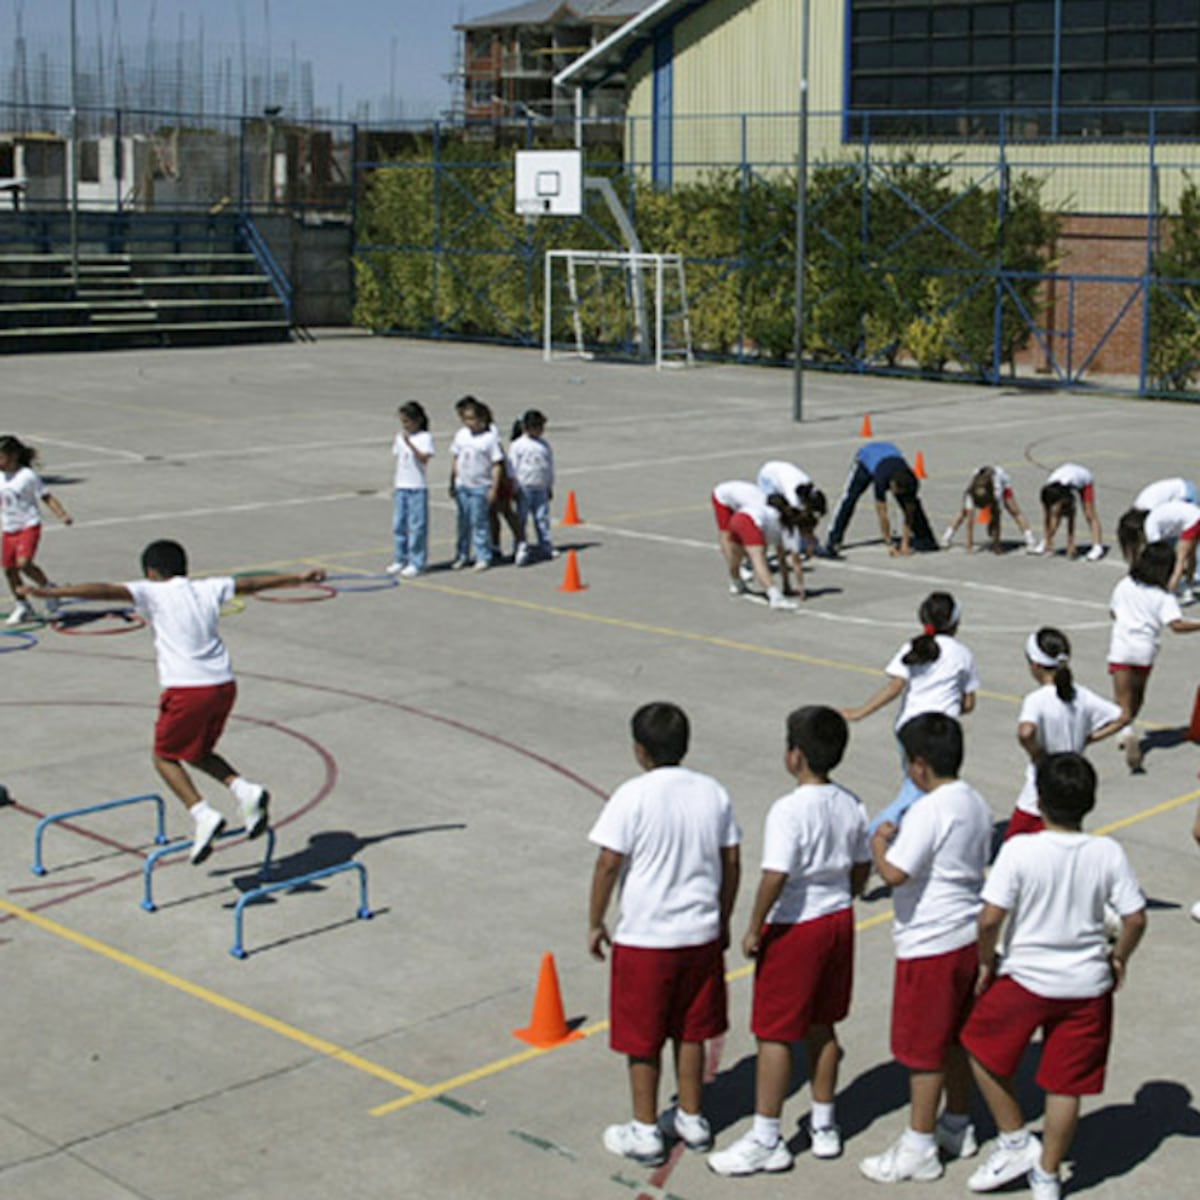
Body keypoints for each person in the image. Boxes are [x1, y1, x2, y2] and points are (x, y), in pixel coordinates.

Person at [23, 540, 326, 864]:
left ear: (152, 572)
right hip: (223, 685)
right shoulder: (208, 588)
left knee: (164, 758)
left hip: (188, 690)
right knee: (196, 752)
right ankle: (245, 791)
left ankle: (202, 814)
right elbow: (251, 583)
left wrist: (52, 593)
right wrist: (299, 578)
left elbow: (105, 590)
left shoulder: (154, 592)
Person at [960, 754, 1147, 1200]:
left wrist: (986, 961)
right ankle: (1047, 1176)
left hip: (1027, 978)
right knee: (1066, 1086)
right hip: (1087, 985)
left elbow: (989, 919)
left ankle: (1015, 1139)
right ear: (1090, 801)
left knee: (980, 1049)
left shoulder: (1021, 849)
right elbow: (1135, 918)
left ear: (1040, 800)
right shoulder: (1107, 852)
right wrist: (1118, 958)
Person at [707, 706, 869, 1177]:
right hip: (838, 919)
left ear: (795, 755)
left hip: (798, 924)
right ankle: (824, 1124)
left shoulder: (789, 809)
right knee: (823, 1024)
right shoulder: (852, 803)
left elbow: (775, 875)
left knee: (775, 1032)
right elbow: (861, 866)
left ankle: (766, 1136)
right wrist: (848, 894)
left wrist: (756, 925)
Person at [588, 701, 742, 1167]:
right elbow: (731, 860)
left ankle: (644, 1129)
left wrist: (595, 919)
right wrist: (723, 916)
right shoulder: (712, 792)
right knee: (691, 1031)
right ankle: (692, 1117)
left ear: (640, 749)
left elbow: (609, 862)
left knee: (643, 1037)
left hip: (647, 939)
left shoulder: (631, 796)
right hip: (699, 934)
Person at [859, 713, 992, 1185]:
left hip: (930, 943)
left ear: (918, 766)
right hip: (964, 938)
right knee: (953, 1039)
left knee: (922, 1051)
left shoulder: (931, 809)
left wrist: (879, 845)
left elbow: (896, 873)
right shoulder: (973, 801)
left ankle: (919, 1145)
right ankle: (957, 1122)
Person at [843, 592, 979, 833]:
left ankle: (914, 835)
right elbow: (969, 703)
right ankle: (871, 837)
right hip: (939, 733)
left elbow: (896, 686)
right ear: (955, 623)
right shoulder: (962, 654)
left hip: (909, 727)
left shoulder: (913, 647)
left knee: (916, 786)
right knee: (919, 792)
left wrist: (860, 712)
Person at [1008, 628, 1125, 840]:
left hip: (1038, 795)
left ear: (1035, 665)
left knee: (1014, 848)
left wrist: (1037, 753)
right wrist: (1089, 738)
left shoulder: (1037, 699)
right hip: (1071, 786)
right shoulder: (1082, 695)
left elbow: (1026, 732)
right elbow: (1121, 717)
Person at [1106, 541, 1200, 771]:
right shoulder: (1163, 596)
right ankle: (1127, 727)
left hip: (1121, 647)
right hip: (1145, 650)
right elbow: (1176, 625)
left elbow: (1112, 611)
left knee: (1121, 697)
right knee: (1137, 696)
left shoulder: (1125, 585)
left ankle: (1125, 731)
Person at [1, 434, 73, 625]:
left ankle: (50, 591)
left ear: (13, 456)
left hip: (28, 525)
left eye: (1, 457)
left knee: (23, 563)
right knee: (9, 570)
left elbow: (46, 496)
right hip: (9, 528)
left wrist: (62, 514)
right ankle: (23, 605)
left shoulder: (27, 476)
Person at [821, 441, 937, 558]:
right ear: (892, 484)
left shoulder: (911, 481)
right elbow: (882, 514)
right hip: (866, 460)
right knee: (850, 498)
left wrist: (905, 543)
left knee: (913, 504)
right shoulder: (881, 479)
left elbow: (909, 512)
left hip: (891, 455)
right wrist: (889, 544)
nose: (893, 494)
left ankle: (925, 537)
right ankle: (833, 540)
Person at [711, 480, 806, 610]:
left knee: (736, 556)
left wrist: (787, 586)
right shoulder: (786, 530)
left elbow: (782, 558)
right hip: (749, 522)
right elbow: (783, 559)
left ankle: (736, 582)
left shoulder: (773, 514)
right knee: (758, 559)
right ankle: (775, 596)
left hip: (739, 518)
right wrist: (787, 586)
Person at [449, 396, 504, 572]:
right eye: (466, 419)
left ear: (482, 419)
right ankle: (462, 555)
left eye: (472, 418)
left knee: (479, 522)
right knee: (463, 523)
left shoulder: (489, 438)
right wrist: (453, 480)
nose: (469, 422)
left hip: (480, 486)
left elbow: (497, 465)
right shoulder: (461, 435)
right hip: (463, 485)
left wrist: (494, 488)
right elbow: (456, 458)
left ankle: (483, 555)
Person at [1116, 498, 1200, 603]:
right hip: (1195, 516)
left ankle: (1170, 593)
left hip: (1191, 522)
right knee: (1190, 554)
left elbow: (1157, 553)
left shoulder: (1150, 527)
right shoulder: (1153, 518)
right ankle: (1189, 584)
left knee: (1180, 559)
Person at [387, 400, 435, 578]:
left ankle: (417, 562)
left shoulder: (425, 438)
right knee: (399, 524)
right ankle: (400, 558)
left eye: (407, 421)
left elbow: (424, 458)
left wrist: (411, 445)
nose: (405, 425)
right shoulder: (399, 437)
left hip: (417, 487)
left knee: (417, 526)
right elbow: (398, 459)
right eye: (403, 422)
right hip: (402, 485)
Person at [942, 465, 1037, 553]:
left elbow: (998, 519)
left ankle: (1030, 540)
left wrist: (997, 545)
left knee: (1014, 511)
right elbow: (970, 521)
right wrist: (969, 544)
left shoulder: (997, 492)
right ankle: (946, 537)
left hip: (1002, 481)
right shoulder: (970, 494)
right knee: (963, 512)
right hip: (983, 485)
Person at [507, 409, 556, 565]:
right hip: (524, 487)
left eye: (541, 426)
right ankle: (520, 546)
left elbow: (549, 466)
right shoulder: (518, 445)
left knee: (542, 518)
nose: (540, 430)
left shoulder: (544, 445)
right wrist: (513, 486)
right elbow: (512, 467)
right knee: (521, 519)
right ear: (527, 427)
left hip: (540, 487)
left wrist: (549, 485)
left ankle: (545, 545)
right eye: (537, 426)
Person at [1032, 463, 1105, 560]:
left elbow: (1071, 518)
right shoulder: (1048, 492)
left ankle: (1097, 547)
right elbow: (1047, 518)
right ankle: (1045, 541)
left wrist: (1070, 543)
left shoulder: (1066, 494)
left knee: (1089, 513)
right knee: (1055, 515)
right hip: (1066, 476)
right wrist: (1048, 539)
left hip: (1085, 479)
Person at [756, 460, 826, 555]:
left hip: (780, 473)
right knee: (774, 514)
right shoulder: (793, 498)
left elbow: (809, 517)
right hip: (767, 477)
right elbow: (792, 518)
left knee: (800, 519)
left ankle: (802, 541)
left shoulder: (811, 490)